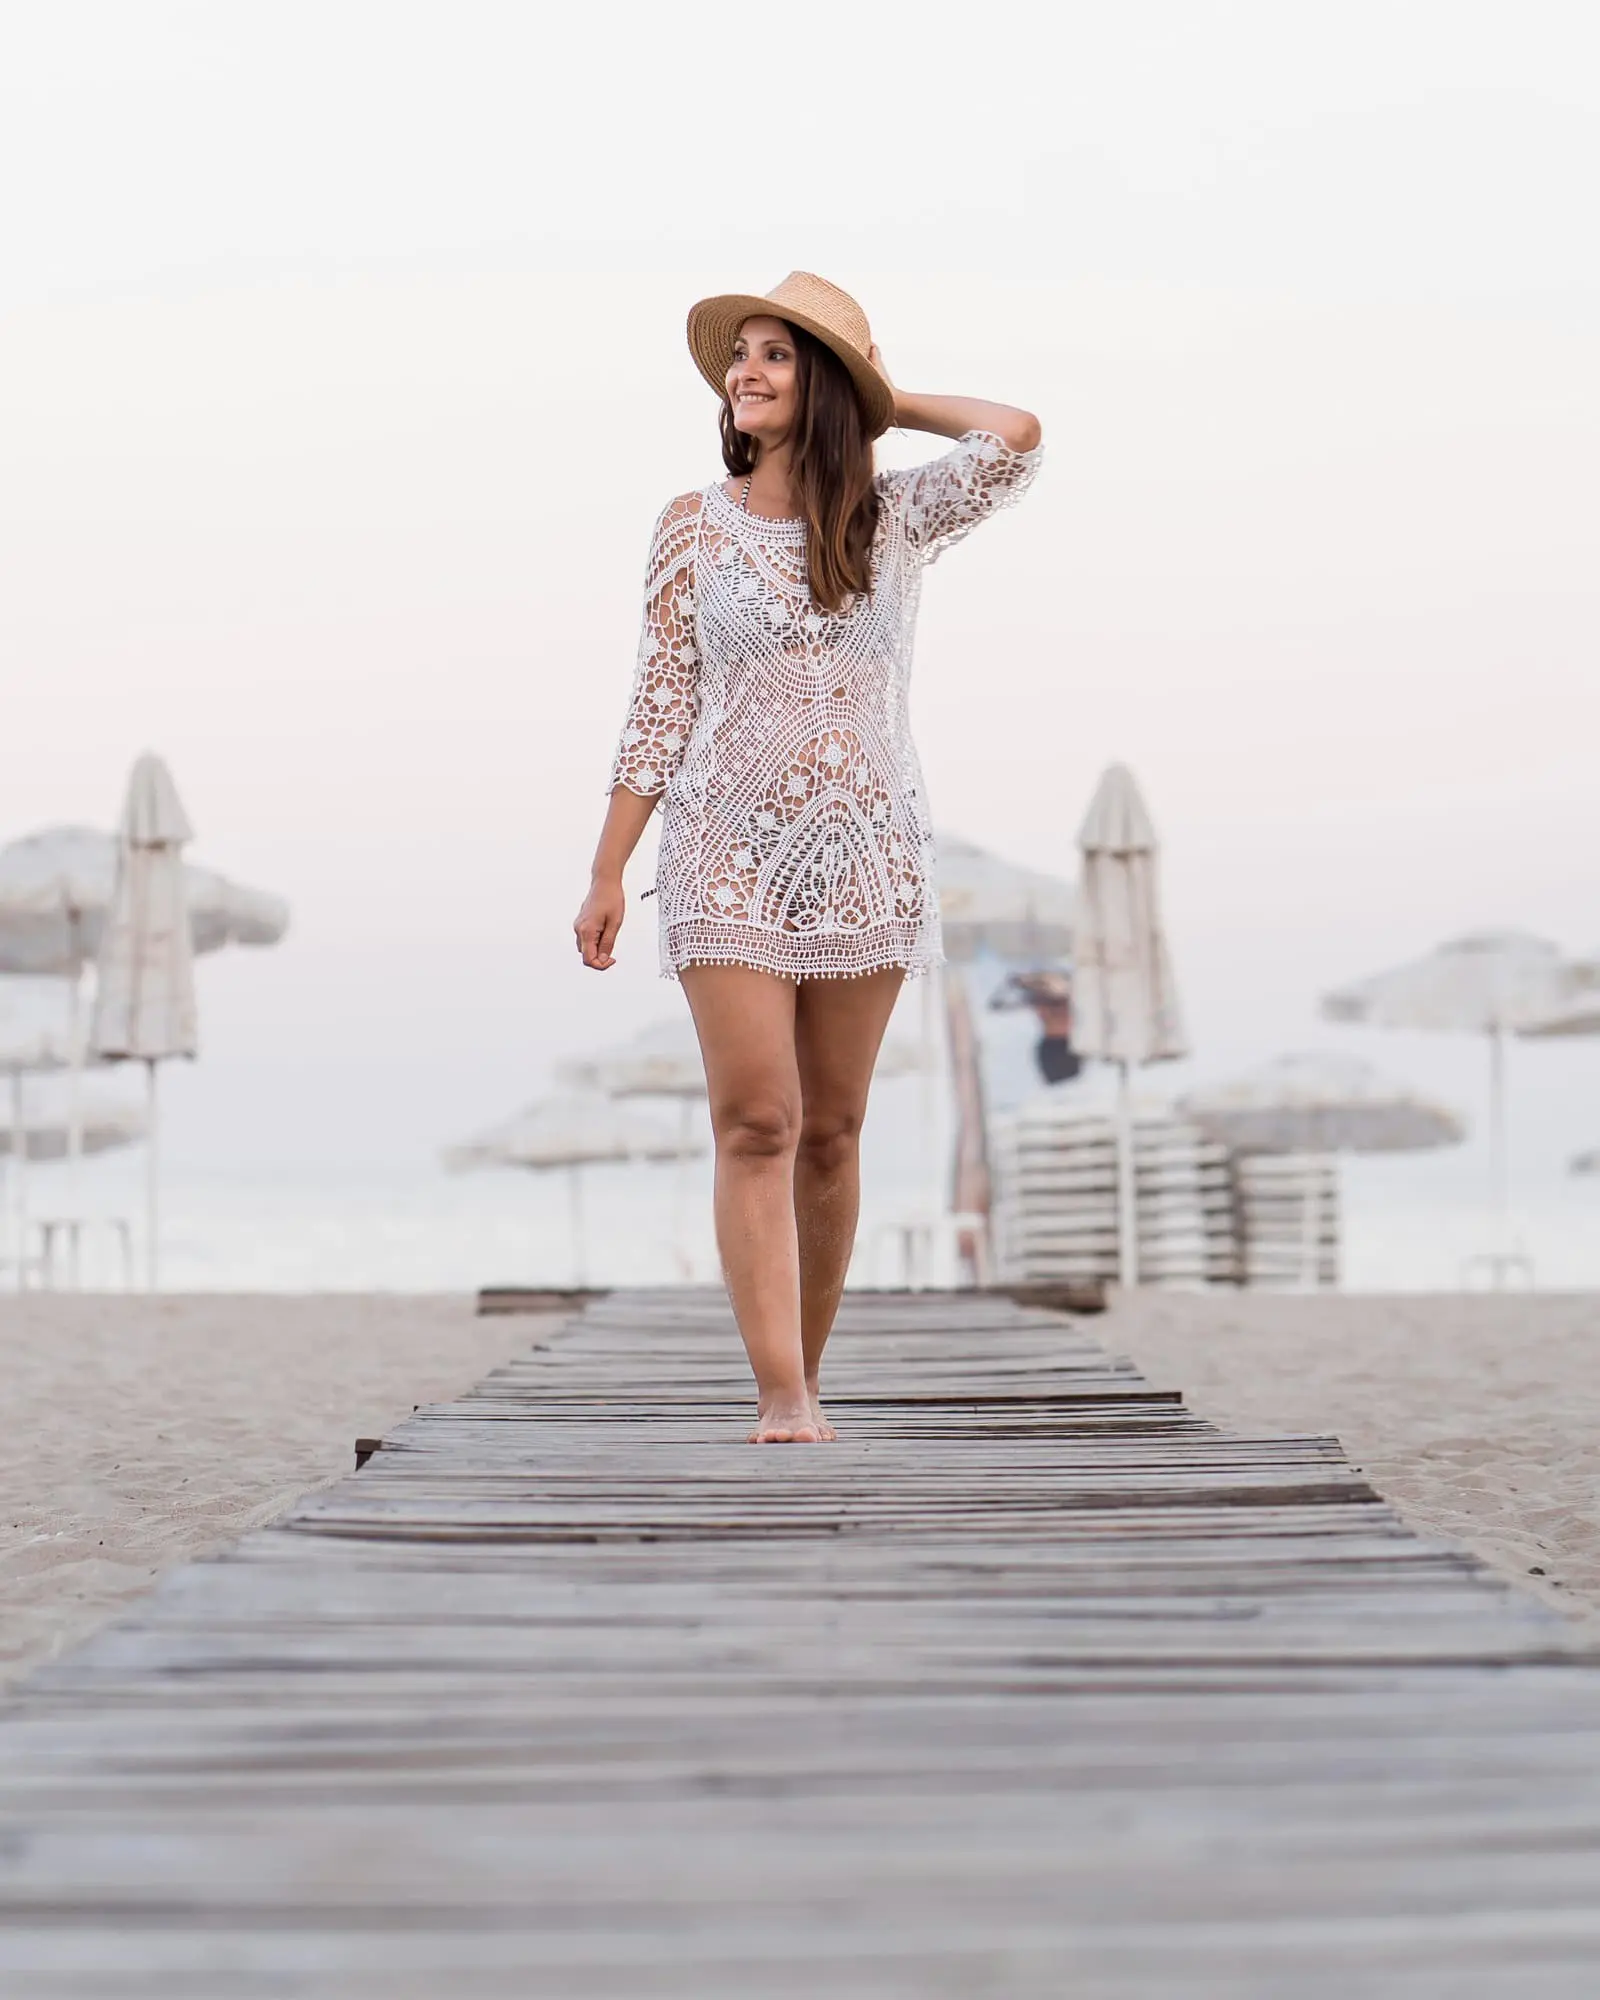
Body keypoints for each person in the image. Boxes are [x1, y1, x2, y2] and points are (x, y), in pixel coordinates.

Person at [573, 272, 1041, 1443]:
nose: (745, 371)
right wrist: (605, 869)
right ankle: (779, 1389)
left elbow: (1015, 437)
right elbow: (660, 702)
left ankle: (809, 1375)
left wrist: (881, 396)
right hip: (723, 852)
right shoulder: (691, 525)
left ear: (823, 383)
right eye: (741, 356)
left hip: (868, 854)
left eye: (778, 355)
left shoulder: (894, 519)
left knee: (832, 1130)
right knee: (758, 1119)